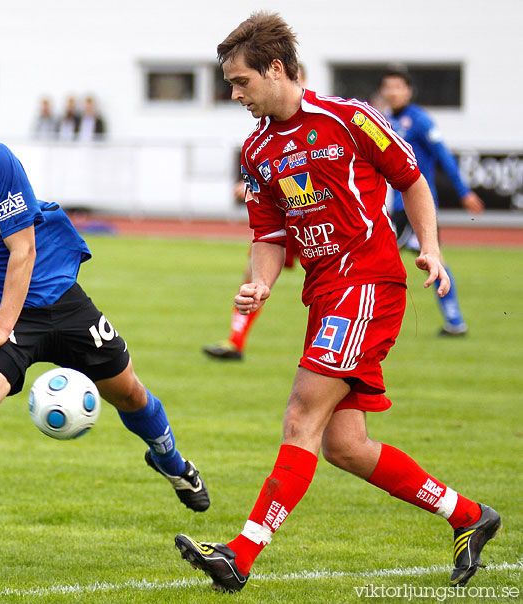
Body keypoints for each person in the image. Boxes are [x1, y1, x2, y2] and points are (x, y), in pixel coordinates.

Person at [175, 13, 500, 592]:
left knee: (301, 415)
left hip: (369, 284)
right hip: (325, 295)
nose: (234, 94)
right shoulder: (256, 150)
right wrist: (262, 282)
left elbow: (413, 179)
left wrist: (430, 248)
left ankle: (240, 556)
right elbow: (270, 233)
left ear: (276, 69)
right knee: (345, 447)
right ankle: (469, 516)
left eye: (241, 81)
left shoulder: (348, 119)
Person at [0, 93, 209, 537]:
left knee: (129, 394)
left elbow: (24, 249)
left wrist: (2, 325)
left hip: (57, 299)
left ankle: (171, 463)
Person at [203, 63, 306, 361]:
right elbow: (275, 174)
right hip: (284, 222)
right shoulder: (262, 138)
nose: (237, 94)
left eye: (242, 83)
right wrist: (250, 188)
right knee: (253, 275)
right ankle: (236, 341)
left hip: (318, 223)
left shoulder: (323, 122)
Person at [379, 70, 485, 336]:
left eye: (398, 87)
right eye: (388, 87)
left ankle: (372, 319)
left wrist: (463, 192)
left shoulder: (419, 121)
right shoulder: (383, 120)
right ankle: (455, 322)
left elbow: (443, 156)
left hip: (415, 208)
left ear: (409, 91)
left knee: (380, 257)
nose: (392, 92)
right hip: (397, 207)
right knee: (432, 260)